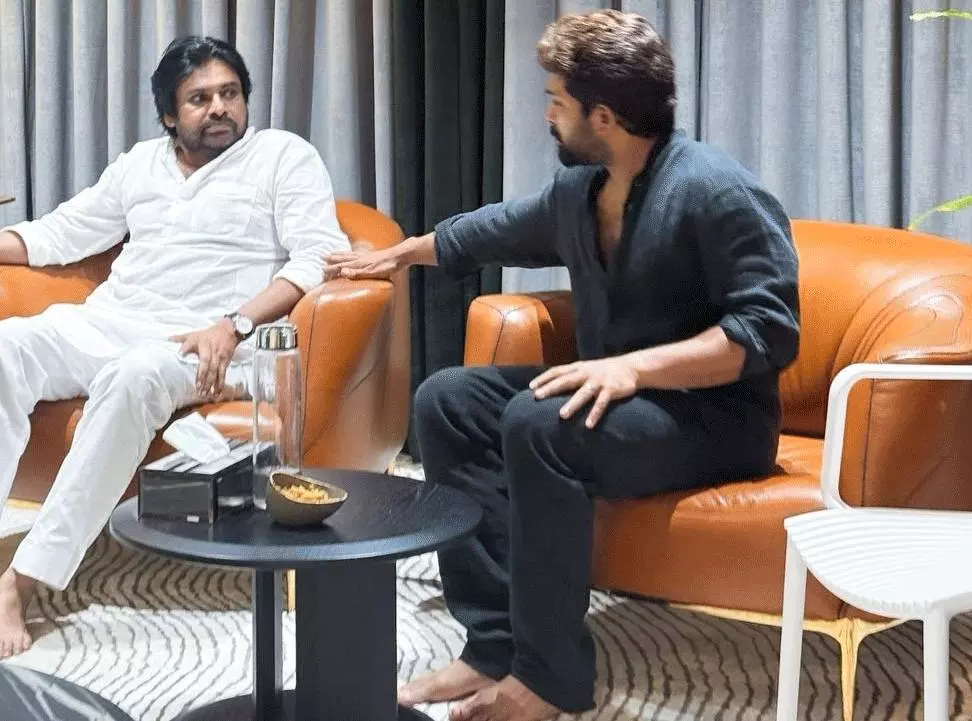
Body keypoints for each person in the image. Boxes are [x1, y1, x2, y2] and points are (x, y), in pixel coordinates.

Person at [325, 10, 800, 721]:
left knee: (540, 422)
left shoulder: (718, 192)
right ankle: (492, 644)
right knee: (448, 400)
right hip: (622, 402)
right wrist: (399, 255)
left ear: (602, 116)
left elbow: (768, 331)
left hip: (716, 419)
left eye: (556, 101)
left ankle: (550, 680)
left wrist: (634, 369)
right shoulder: (582, 191)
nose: (547, 115)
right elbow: (493, 230)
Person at [0, 35, 350, 659]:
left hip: (217, 342)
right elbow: (57, 235)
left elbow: (317, 257)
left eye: (230, 93)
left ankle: (22, 580)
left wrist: (233, 323)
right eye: (199, 98)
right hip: (116, 320)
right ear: (169, 114)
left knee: (133, 375)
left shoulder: (283, 156)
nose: (219, 107)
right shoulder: (139, 165)